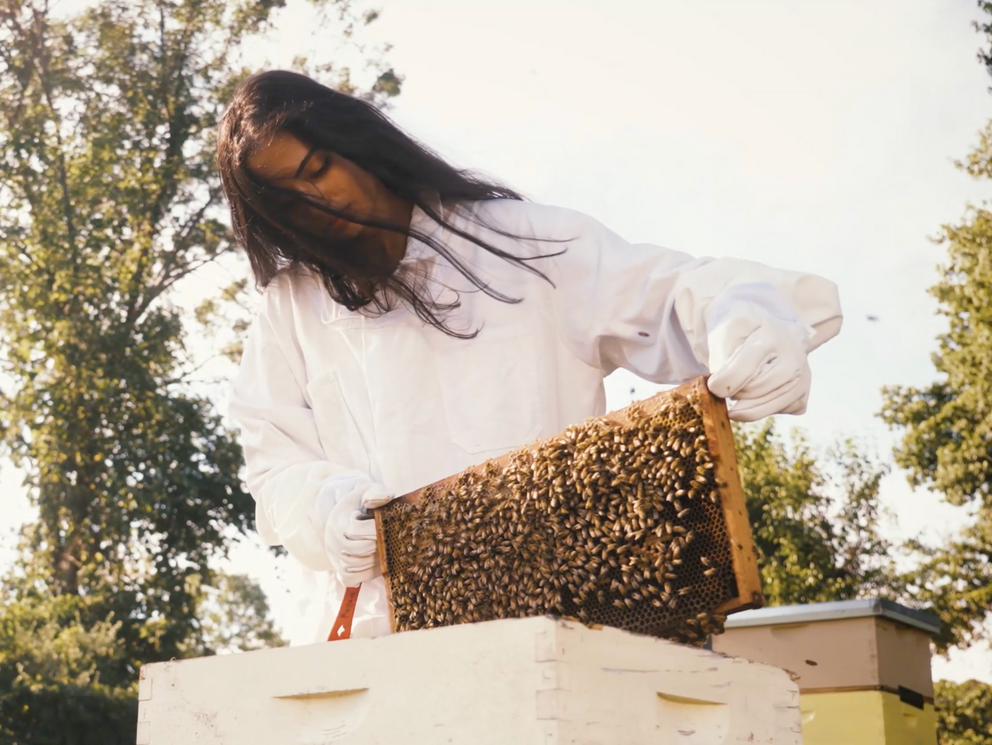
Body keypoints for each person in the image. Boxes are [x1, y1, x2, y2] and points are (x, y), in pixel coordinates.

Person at [220, 71, 842, 642]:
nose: (318, 201)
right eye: (289, 198)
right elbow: (273, 466)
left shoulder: (525, 242)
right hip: (380, 650)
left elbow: (675, 292)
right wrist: (327, 513)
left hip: (558, 625)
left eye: (319, 167)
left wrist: (752, 321)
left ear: (353, 140)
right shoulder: (288, 308)